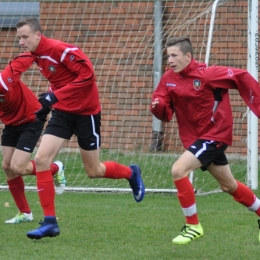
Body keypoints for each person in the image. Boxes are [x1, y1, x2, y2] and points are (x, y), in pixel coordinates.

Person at [15, 17, 145, 240]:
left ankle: (131, 173)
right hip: (63, 113)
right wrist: (47, 104)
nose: (21, 42)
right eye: (19, 38)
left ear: (38, 35)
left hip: (87, 114)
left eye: (25, 37)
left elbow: (88, 76)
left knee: (94, 171)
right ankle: (50, 223)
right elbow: (59, 79)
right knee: (43, 159)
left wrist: (53, 96)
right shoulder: (35, 56)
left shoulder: (62, 50)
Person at [150, 36, 260, 245]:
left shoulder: (208, 74)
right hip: (195, 138)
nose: (170, 60)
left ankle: (193, 226)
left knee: (178, 170)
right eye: (168, 56)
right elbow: (164, 108)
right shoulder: (168, 78)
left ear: (188, 56)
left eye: (174, 55)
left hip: (215, 134)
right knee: (228, 186)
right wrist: (158, 105)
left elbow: (242, 77)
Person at [0, 53, 66, 224]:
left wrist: (39, 51)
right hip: (11, 124)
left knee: (18, 167)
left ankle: (55, 168)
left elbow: (27, 56)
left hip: (31, 119)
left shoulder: (6, 78)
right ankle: (25, 213)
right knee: (7, 166)